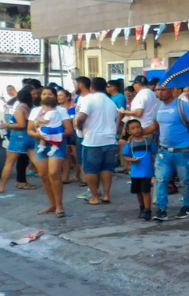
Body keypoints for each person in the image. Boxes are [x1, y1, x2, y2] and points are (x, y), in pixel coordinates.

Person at [148, 86, 189, 221]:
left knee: (185, 181)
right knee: (160, 179)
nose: (159, 92)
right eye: (158, 90)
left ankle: (187, 207)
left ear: (172, 90)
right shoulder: (157, 106)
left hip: (182, 151)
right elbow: (155, 126)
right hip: (163, 151)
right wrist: (139, 132)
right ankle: (161, 210)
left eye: (163, 89)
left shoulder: (182, 106)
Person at [76, 77, 120, 206]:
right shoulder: (111, 102)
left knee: (90, 170)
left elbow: (82, 117)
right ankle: (106, 195)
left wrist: (79, 126)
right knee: (106, 169)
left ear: (91, 88)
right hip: (109, 139)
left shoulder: (89, 99)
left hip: (93, 140)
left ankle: (95, 196)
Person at [27, 92, 70, 217]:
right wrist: (40, 135)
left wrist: (54, 136)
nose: (47, 95)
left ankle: (59, 205)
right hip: (40, 143)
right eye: (44, 94)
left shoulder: (60, 110)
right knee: (43, 175)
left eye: (50, 94)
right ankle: (53, 204)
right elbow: (29, 130)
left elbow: (69, 130)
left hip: (57, 143)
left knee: (54, 172)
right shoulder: (35, 111)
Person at [0, 87, 35, 193]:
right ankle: (48, 182)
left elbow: (21, 124)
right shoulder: (31, 107)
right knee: (37, 162)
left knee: (9, 163)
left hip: (18, 137)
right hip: (30, 136)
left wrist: (7, 125)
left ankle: (1, 186)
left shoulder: (20, 108)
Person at [123, 120, 156, 220]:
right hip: (135, 172)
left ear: (141, 128)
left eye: (138, 127)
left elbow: (154, 155)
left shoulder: (149, 141)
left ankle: (147, 210)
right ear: (129, 131)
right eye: (133, 128)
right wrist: (131, 160)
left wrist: (155, 166)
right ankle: (142, 207)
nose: (136, 130)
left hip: (147, 171)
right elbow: (125, 156)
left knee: (146, 191)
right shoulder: (129, 143)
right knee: (138, 191)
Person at [56, 87, 80, 184]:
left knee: (76, 156)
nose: (58, 97)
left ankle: (78, 175)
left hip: (74, 134)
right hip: (63, 134)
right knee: (65, 156)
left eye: (61, 95)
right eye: (57, 95)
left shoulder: (74, 107)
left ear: (67, 97)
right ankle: (66, 177)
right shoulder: (57, 109)